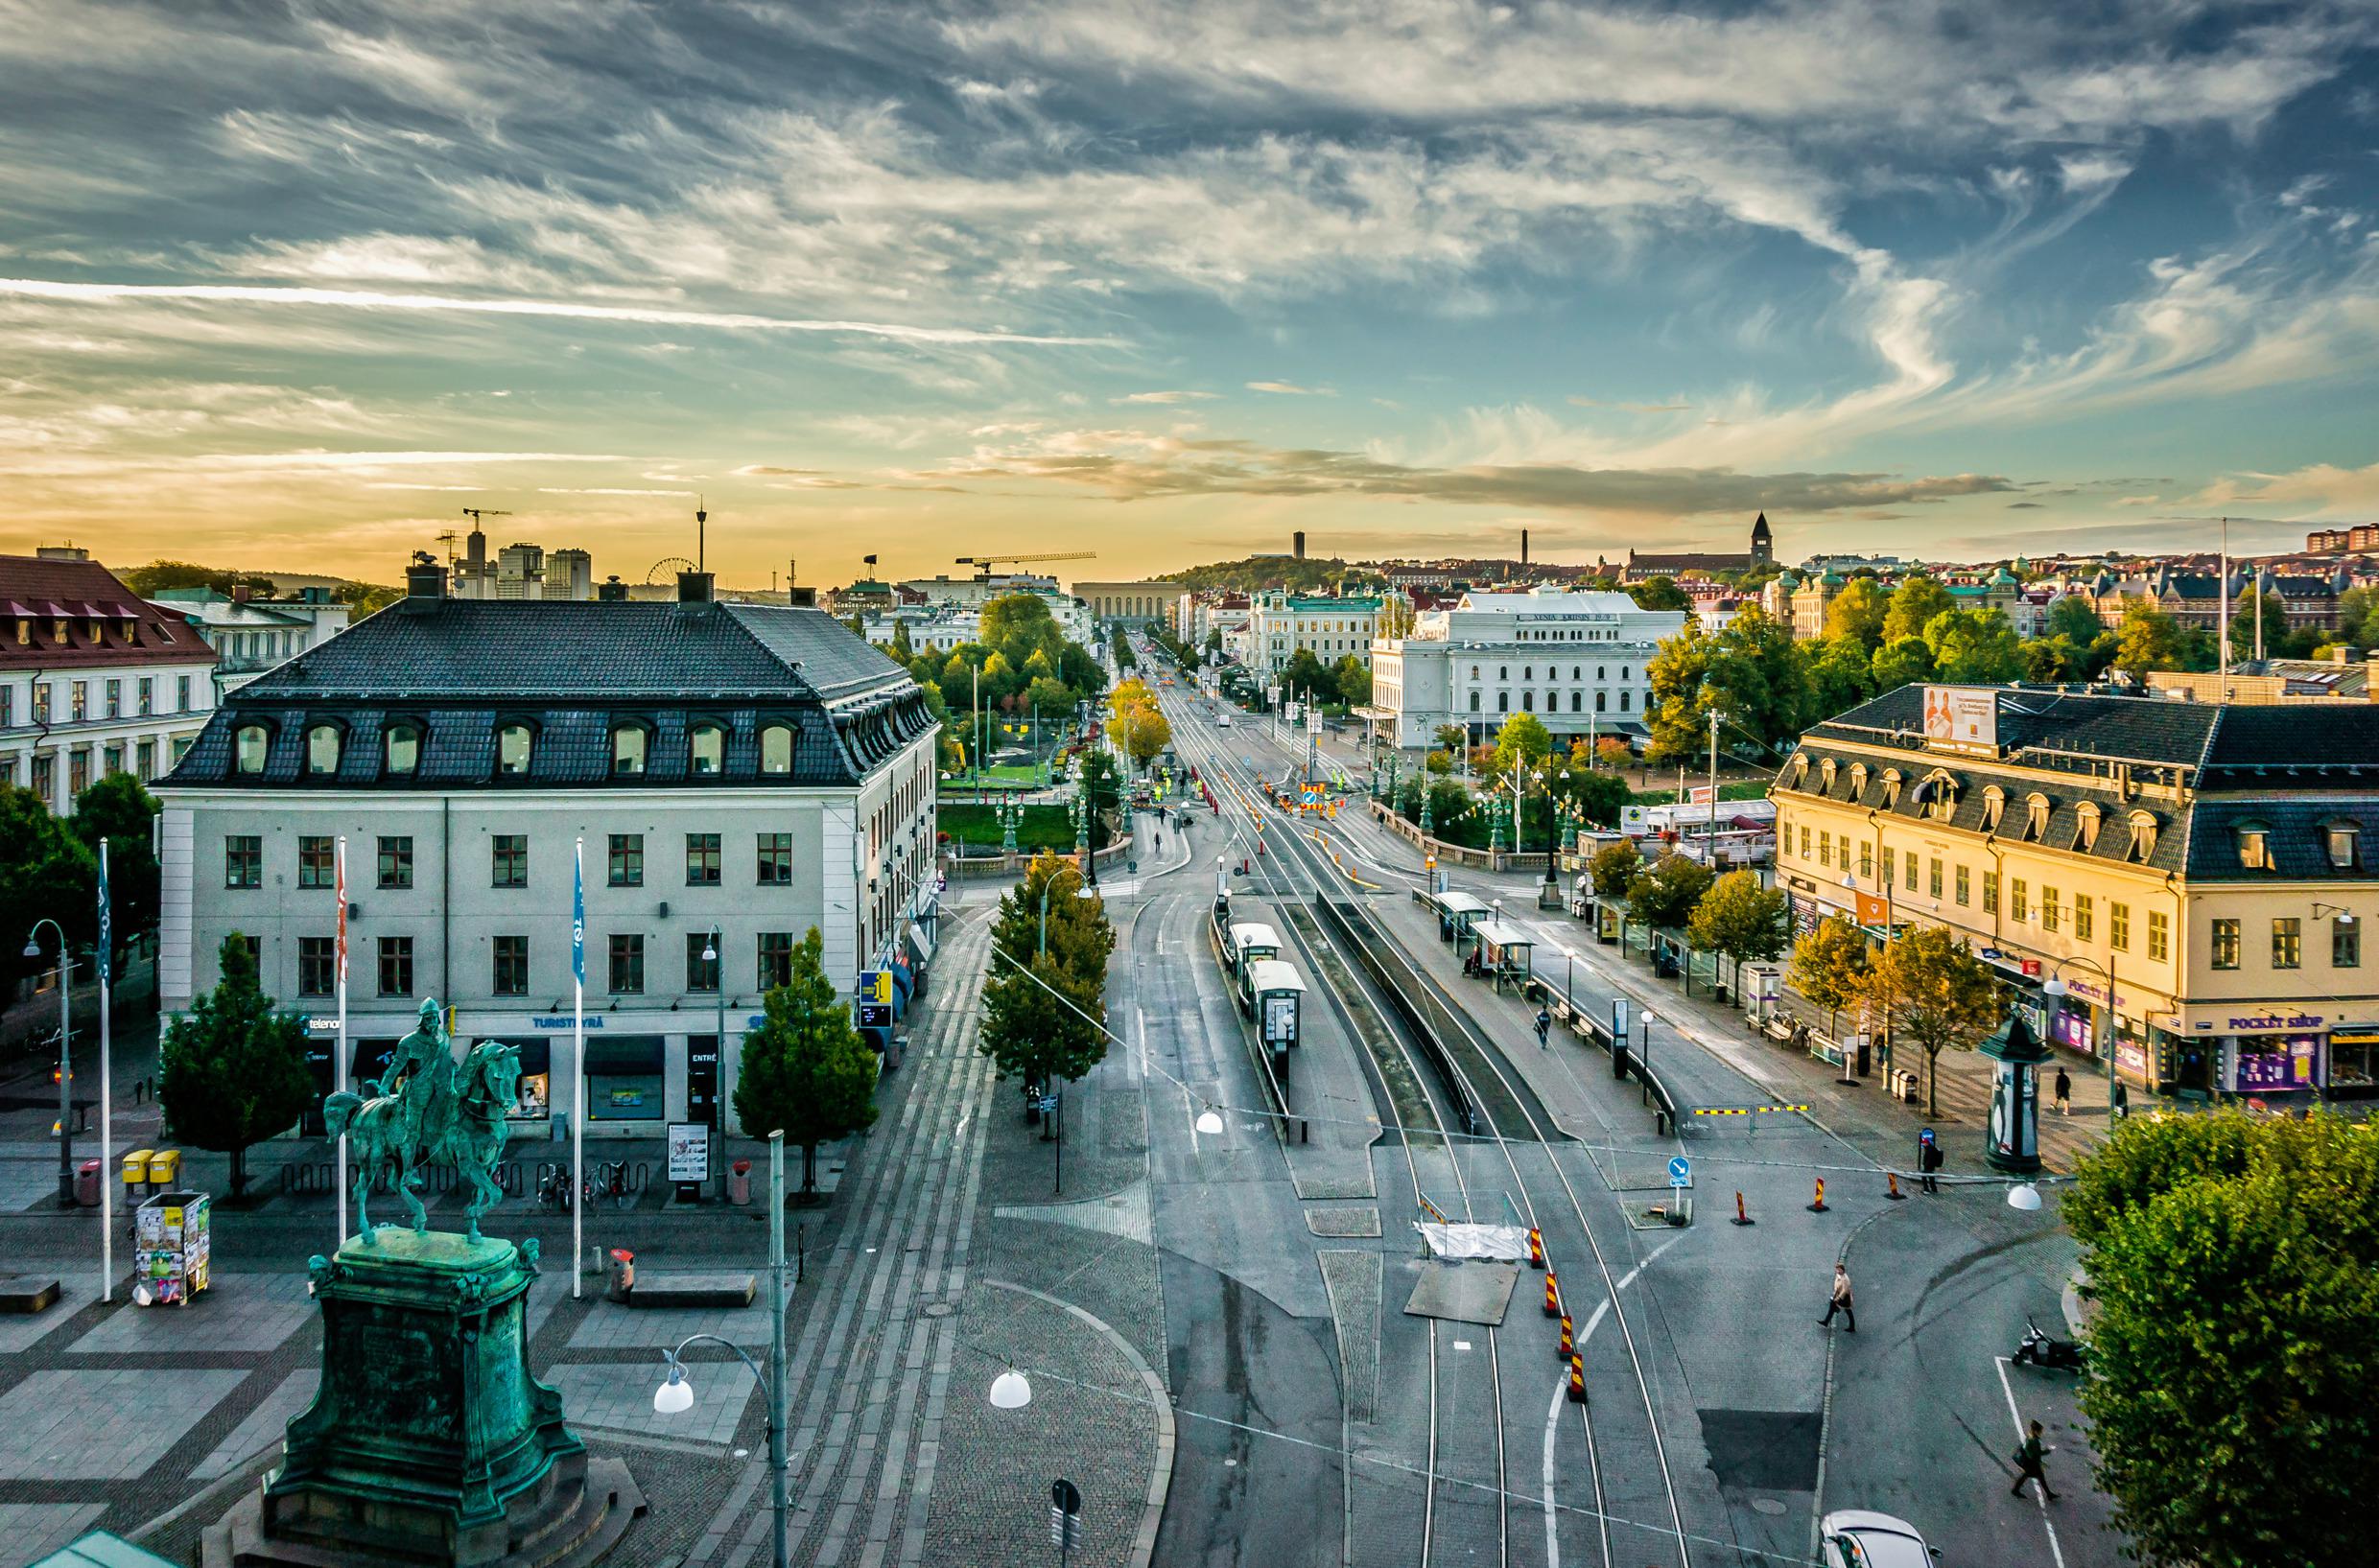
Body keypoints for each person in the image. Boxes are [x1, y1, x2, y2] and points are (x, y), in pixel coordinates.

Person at [2010, 1419, 2060, 1500]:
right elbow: (2038, 1453)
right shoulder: (2035, 1441)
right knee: (2033, 1475)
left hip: (2027, 1459)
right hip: (2031, 1462)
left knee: (2035, 1475)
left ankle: (2049, 1494)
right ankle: (2015, 1490)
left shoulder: (2030, 1436)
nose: (2042, 1433)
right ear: (2036, 1431)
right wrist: (2048, 1450)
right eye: (2041, 1431)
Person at [1818, 1262, 1855, 1332]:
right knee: (1834, 1306)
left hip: (1844, 1297)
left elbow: (1844, 1290)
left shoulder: (1845, 1279)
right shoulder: (1839, 1275)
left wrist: (1838, 1298)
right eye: (1837, 1269)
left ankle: (1851, 1326)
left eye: (1839, 1269)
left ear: (1842, 1270)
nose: (1837, 1271)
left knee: (1848, 1311)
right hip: (1838, 1294)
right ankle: (1826, 1321)